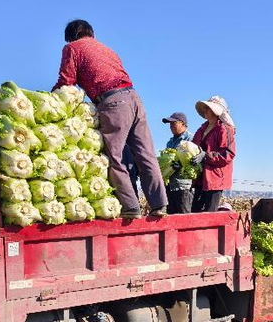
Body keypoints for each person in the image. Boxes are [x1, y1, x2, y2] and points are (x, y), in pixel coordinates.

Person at [52, 19, 167, 219]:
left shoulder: (72, 48)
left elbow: (66, 82)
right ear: (91, 34)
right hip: (134, 99)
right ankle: (159, 204)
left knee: (114, 157)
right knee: (145, 154)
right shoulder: (107, 49)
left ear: (71, 36)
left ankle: (131, 207)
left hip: (113, 102)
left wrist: (52, 99)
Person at [190, 96, 236, 212]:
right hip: (200, 177)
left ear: (216, 112)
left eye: (208, 108)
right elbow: (193, 147)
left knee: (209, 213)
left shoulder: (224, 129)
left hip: (214, 178)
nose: (205, 111)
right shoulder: (202, 129)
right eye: (205, 108)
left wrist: (205, 155)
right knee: (195, 211)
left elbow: (228, 154)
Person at [161, 111, 194, 214]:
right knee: (172, 215)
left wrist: (182, 165)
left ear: (183, 124)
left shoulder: (190, 139)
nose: (171, 126)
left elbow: (195, 162)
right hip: (171, 184)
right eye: (170, 124)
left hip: (184, 185)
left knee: (184, 215)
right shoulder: (170, 142)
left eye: (173, 123)